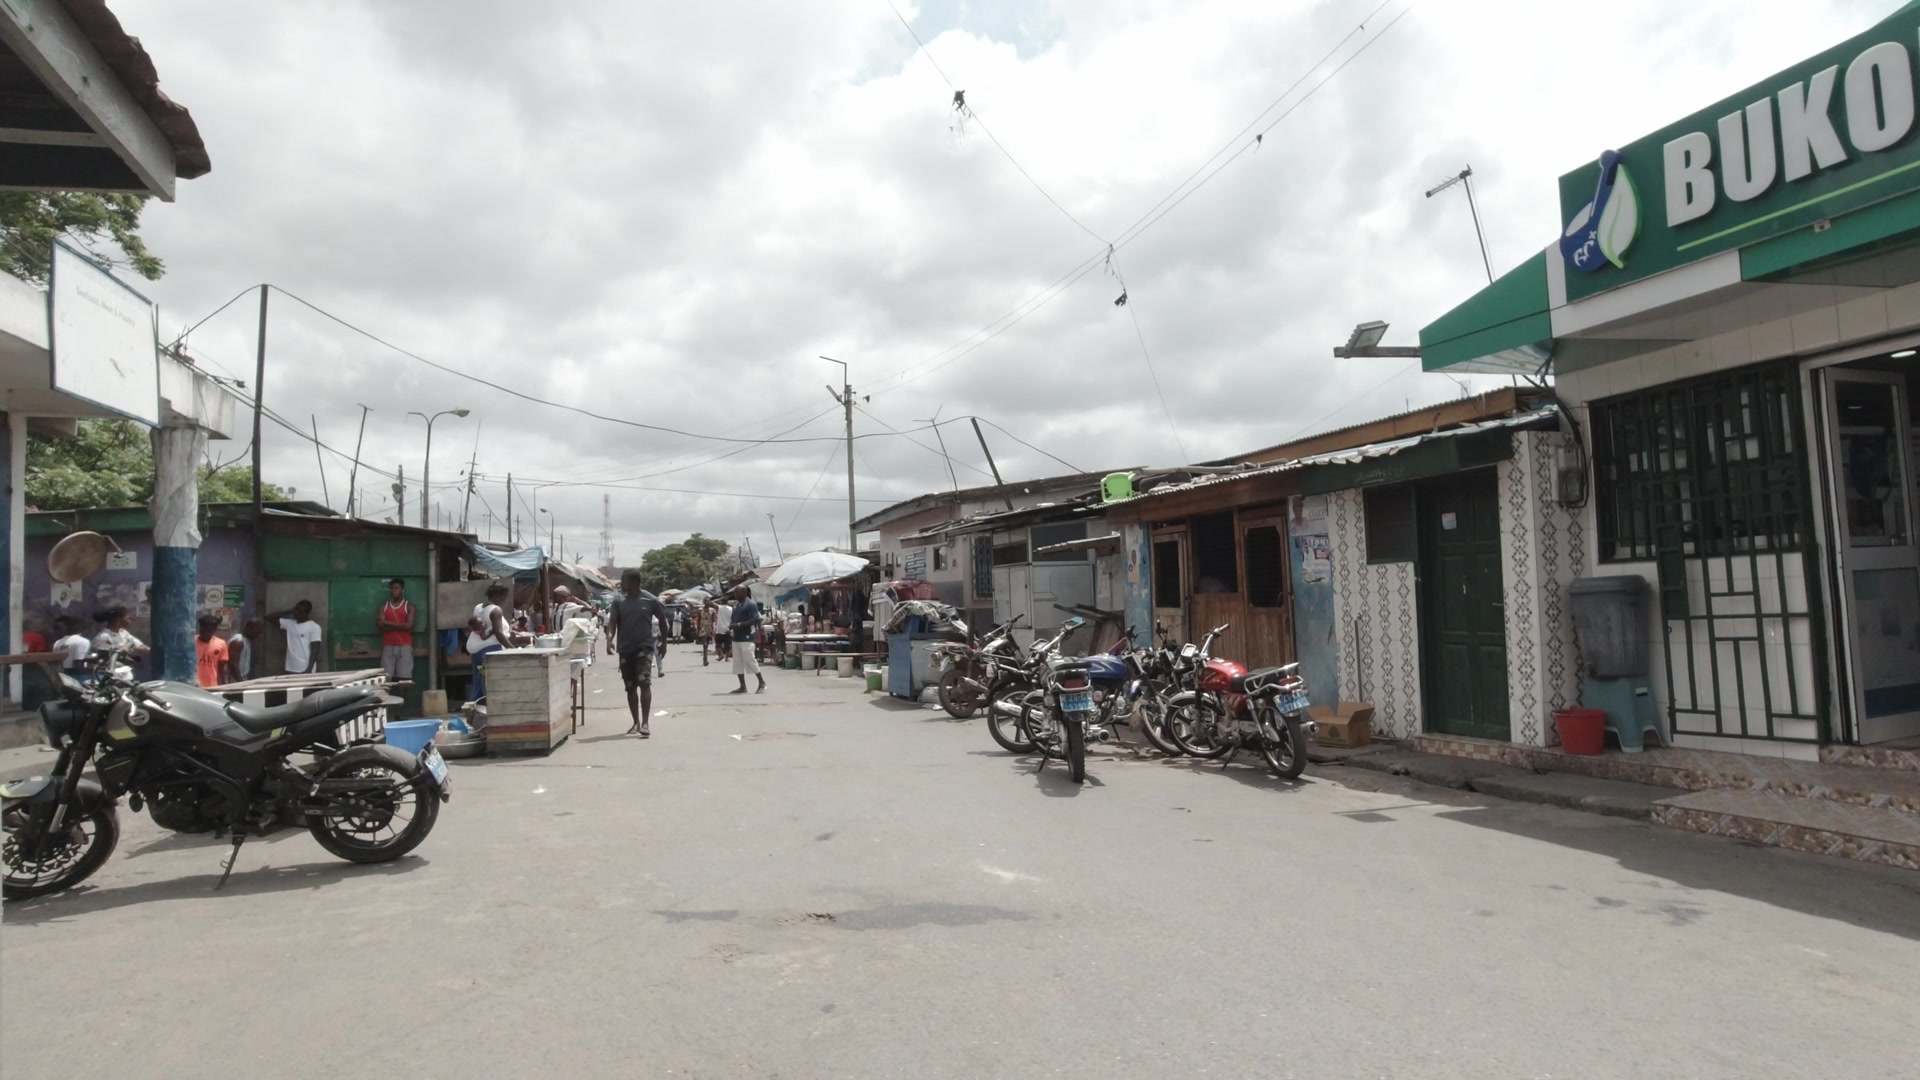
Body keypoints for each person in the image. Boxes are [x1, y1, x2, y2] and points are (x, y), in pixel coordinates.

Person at [606, 569, 669, 737]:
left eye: (624, 580)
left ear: (634, 582)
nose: (621, 583)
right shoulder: (619, 601)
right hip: (625, 649)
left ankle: (645, 723)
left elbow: (663, 621)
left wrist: (664, 643)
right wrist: (609, 639)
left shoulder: (650, 600)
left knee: (644, 682)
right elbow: (612, 622)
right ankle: (635, 722)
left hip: (644, 647)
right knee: (630, 687)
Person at [466, 583, 524, 701]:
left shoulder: (478, 607)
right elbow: (498, 633)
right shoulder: (495, 610)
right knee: (493, 682)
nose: (505, 600)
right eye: (504, 597)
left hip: (476, 651)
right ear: (497, 596)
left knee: (480, 679)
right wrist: (512, 649)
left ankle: (477, 705)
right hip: (490, 650)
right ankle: (492, 705)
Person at [376, 578, 417, 685]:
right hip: (388, 645)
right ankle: (387, 696)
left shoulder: (409, 606)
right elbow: (380, 627)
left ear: (403, 590)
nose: (394, 590)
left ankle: (401, 696)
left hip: (405, 645)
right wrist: (401, 626)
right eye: (392, 588)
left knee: (404, 678)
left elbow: (409, 626)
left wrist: (387, 623)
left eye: (397, 588)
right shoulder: (383, 607)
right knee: (386, 678)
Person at [266, 600, 324, 674]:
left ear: (306, 613)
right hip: (290, 668)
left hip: (304, 668)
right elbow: (268, 617)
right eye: (296, 610)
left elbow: (315, 649)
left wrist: (309, 669)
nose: (296, 613)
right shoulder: (289, 624)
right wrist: (287, 611)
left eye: (300, 611)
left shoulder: (314, 627)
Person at [728, 587, 766, 695]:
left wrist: (739, 625)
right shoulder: (736, 605)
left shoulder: (750, 604)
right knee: (737, 662)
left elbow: (755, 619)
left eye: (737, 592)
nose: (735, 594)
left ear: (744, 592)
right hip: (736, 637)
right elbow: (733, 618)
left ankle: (762, 682)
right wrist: (732, 627)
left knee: (750, 660)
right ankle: (742, 686)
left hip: (747, 637)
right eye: (735, 592)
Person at [194, 615, 229, 688]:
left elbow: (221, 669)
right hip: (194, 686)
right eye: (203, 630)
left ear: (215, 630)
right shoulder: (191, 642)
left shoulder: (221, 644)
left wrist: (224, 686)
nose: (206, 633)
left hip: (212, 686)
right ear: (200, 628)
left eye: (209, 630)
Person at [226, 618, 265, 683]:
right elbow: (233, 664)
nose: (258, 635)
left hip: (241, 679)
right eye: (258, 632)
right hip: (235, 682)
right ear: (250, 628)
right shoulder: (238, 642)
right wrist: (241, 682)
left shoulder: (246, 641)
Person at [713, 597, 734, 662]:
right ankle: (726, 658)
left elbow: (711, 603)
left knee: (718, 644)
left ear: (721, 602)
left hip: (720, 628)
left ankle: (721, 654)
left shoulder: (719, 607)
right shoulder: (731, 609)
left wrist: (717, 600)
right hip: (728, 628)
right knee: (727, 645)